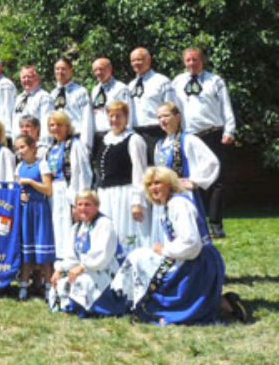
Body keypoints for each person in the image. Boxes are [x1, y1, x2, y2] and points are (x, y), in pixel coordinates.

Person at [111, 167, 246, 324]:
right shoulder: (170, 204)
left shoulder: (179, 205)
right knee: (140, 256)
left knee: (139, 259)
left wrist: (164, 250)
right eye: (149, 185)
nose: (153, 188)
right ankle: (222, 302)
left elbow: (191, 243)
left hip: (199, 263)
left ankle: (132, 302)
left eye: (158, 183)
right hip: (193, 258)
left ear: (170, 184)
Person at [172, 47, 236, 238]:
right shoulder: (177, 82)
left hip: (212, 134)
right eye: (188, 60)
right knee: (189, 179)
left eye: (195, 60)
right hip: (189, 136)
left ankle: (216, 224)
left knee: (216, 181)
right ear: (184, 62)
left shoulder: (215, 81)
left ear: (202, 61)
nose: (192, 63)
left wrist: (229, 130)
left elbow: (226, 105)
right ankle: (193, 224)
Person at [151, 102, 220, 245]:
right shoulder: (159, 145)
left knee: (187, 235)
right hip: (163, 198)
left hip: (183, 196)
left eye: (166, 116)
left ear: (177, 117)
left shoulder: (188, 139)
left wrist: (194, 181)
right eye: (159, 117)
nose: (162, 120)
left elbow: (211, 162)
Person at [49, 189, 123, 317]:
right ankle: (70, 306)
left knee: (81, 282)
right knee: (60, 282)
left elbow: (102, 255)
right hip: (83, 269)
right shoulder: (77, 227)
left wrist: (82, 267)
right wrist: (59, 270)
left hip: (103, 270)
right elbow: (71, 255)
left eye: (87, 204)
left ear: (97, 206)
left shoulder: (105, 224)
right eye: (80, 204)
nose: (83, 208)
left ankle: (96, 309)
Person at [92, 101, 149, 254]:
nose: (115, 120)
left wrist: (137, 201)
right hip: (106, 195)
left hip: (125, 194)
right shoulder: (105, 139)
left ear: (126, 117)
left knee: (126, 234)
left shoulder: (133, 139)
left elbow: (139, 172)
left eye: (119, 116)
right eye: (111, 116)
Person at [46, 111, 92, 260]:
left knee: (69, 229)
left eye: (59, 125)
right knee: (56, 230)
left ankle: (72, 261)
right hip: (54, 192)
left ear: (67, 126)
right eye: (52, 125)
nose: (55, 128)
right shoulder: (51, 148)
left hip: (69, 190)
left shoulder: (75, 145)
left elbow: (83, 174)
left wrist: (79, 202)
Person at [14, 134, 55, 300]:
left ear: (32, 147)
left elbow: (48, 189)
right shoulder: (19, 167)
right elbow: (17, 188)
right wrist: (20, 195)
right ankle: (23, 286)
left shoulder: (42, 164)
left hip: (40, 209)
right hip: (25, 210)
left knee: (43, 249)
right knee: (26, 251)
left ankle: (49, 287)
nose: (20, 151)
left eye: (22, 147)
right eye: (17, 148)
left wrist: (30, 182)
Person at [128, 48, 178, 165]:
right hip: (136, 133)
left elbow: (171, 107)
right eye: (133, 61)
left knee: (159, 168)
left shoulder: (161, 81)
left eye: (139, 59)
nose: (136, 63)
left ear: (148, 60)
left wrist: (172, 133)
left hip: (157, 131)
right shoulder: (130, 86)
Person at [90, 58, 132, 157]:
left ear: (110, 69)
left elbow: (128, 114)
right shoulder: (95, 90)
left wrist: (126, 138)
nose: (98, 73)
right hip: (98, 136)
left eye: (101, 69)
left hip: (115, 135)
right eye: (95, 70)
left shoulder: (120, 88)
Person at [50, 58, 93, 153]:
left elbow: (87, 119)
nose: (60, 72)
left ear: (71, 70)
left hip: (76, 138)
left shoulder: (81, 92)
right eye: (57, 69)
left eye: (63, 69)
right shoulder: (52, 94)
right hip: (58, 140)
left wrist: (86, 145)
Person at [12, 65, 52, 146]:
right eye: (23, 77)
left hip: (36, 146)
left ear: (37, 78)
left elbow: (46, 122)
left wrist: (44, 145)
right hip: (18, 146)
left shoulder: (44, 97)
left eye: (29, 77)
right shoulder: (18, 98)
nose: (26, 80)